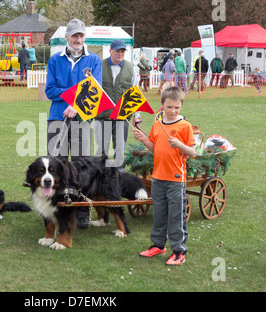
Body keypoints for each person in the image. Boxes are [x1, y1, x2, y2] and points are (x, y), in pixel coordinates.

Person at [45, 18, 102, 228]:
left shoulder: (94, 60)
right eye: (75, 36)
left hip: (82, 119)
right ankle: (57, 208)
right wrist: (75, 97)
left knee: (82, 166)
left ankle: (82, 211)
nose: (78, 39)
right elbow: (50, 90)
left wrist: (77, 106)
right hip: (57, 118)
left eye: (81, 35)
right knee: (55, 166)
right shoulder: (55, 60)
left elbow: (94, 89)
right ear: (67, 37)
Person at [133, 86, 196, 266]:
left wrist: (178, 145)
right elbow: (155, 147)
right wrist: (143, 139)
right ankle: (159, 245)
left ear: (181, 106)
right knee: (159, 214)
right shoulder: (157, 125)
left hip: (176, 179)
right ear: (162, 105)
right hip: (158, 178)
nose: (173, 111)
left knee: (176, 216)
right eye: (169, 107)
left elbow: (191, 152)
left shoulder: (185, 126)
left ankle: (179, 251)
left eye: (177, 107)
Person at [95, 39, 141, 169]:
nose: (120, 54)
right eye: (117, 51)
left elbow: (135, 93)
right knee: (101, 151)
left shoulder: (130, 68)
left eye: (122, 51)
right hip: (102, 116)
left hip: (122, 116)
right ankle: (99, 178)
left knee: (120, 150)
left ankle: (119, 178)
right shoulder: (99, 66)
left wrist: (137, 115)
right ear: (110, 51)